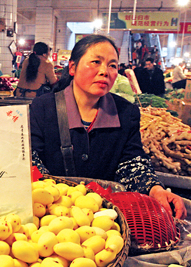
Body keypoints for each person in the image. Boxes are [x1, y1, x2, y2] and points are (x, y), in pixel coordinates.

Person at [30, 34, 186, 219]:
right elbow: (32, 161)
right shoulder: (42, 108)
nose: (105, 71)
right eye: (96, 62)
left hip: (106, 218)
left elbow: (132, 163)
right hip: (52, 215)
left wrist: (155, 189)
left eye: (112, 65)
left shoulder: (126, 113)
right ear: (72, 67)